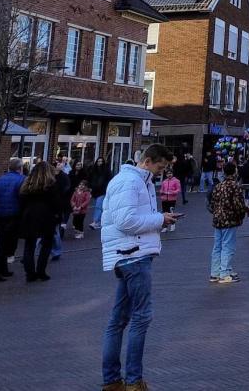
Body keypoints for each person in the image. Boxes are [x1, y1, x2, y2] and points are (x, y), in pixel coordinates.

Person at [101, 144, 178, 391]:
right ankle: (133, 381)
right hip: (133, 254)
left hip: (127, 254)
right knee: (141, 317)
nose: (160, 171)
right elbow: (126, 221)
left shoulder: (134, 181)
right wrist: (159, 219)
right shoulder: (132, 182)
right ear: (147, 161)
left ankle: (112, 381)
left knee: (118, 319)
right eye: (159, 166)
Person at [19, 161, 62, 282]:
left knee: (29, 245)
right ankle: (41, 271)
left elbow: (22, 200)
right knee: (46, 245)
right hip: (46, 216)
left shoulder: (28, 184)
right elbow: (56, 203)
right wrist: (58, 216)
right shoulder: (51, 184)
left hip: (30, 215)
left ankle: (30, 273)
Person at [209, 161, 249, 284]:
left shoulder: (218, 186)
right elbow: (238, 205)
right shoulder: (234, 186)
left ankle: (214, 273)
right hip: (230, 220)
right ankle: (225, 273)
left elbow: (212, 204)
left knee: (217, 246)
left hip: (217, 219)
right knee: (228, 246)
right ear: (235, 171)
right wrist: (245, 211)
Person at [0, 158, 24, 282]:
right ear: (20, 168)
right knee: (8, 245)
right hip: (14, 214)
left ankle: (3, 269)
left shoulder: (0, 179)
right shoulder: (21, 180)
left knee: (2, 241)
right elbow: (22, 198)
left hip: (0, 214)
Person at [89, 157, 111, 230]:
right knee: (99, 206)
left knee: (98, 206)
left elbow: (109, 180)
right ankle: (100, 221)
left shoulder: (106, 171)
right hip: (95, 191)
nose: (100, 163)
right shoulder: (93, 171)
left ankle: (95, 221)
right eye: (98, 161)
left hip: (102, 191)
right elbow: (90, 179)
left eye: (101, 161)